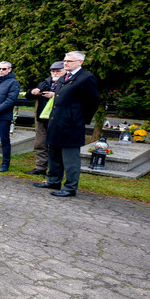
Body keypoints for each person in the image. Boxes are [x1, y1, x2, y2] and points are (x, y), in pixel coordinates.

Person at [35, 51, 100, 197]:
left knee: (70, 158)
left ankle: (70, 187)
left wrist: (80, 119)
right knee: (54, 154)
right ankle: (53, 180)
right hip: (56, 123)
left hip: (71, 125)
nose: (65, 63)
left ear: (80, 62)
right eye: (65, 60)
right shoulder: (64, 77)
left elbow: (93, 102)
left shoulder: (86, 78)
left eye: (69, 61)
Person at [24, 61, 64, 175]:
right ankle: (40, 167)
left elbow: (70, 99)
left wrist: (55, 95)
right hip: (42, 119)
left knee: (54, 146)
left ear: (65, 71)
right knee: (39, 144)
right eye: (53, 71)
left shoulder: (67, 83)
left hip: (57, 120)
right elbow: (28, 96)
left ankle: (53, 170)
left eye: (58, 71)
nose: (55, 73)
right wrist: (32, 91)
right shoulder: (45, 82)